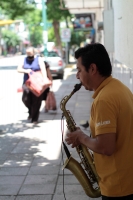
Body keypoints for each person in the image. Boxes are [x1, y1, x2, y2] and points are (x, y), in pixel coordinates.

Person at [65, 43, 133, 199]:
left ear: (93, 69)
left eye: (79, 70)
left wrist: (81, 137)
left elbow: (106, 147)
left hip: (118, 186)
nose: (77, 75)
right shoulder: (120, 88)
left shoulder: (104, 100)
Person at [17, 46, 48, 124]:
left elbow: (43, 70)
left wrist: (45, 79)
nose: (28, 54)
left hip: (37, 83)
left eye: (30, 53)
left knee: (36, 101)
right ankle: (31, 111)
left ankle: (34, 118)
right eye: (27, 53)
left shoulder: (39, 59)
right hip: (27, 83)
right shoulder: (24, 59)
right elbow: (18, 69)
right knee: (25, 99)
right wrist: (26, 70)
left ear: (34, 52)